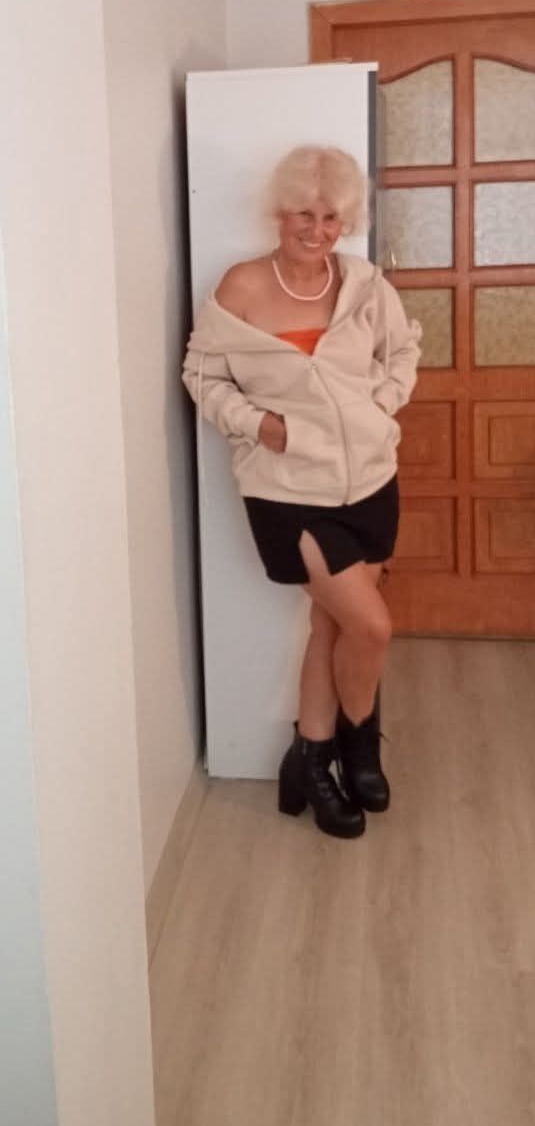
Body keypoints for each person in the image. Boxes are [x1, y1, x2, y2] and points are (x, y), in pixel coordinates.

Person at [182, 145, 421, 840]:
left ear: (346, 222)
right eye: (303, 215)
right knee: (371, 626)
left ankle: (310, 762)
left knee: (332, 625)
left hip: (370, 479)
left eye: (331, 217)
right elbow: (202, 375)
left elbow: (403, 352)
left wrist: (379, 406)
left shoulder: (366, 285)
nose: (317, 230)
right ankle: (358, 744)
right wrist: (261, 425)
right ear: (279, 215)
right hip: (288, 488)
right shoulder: (242, 286)